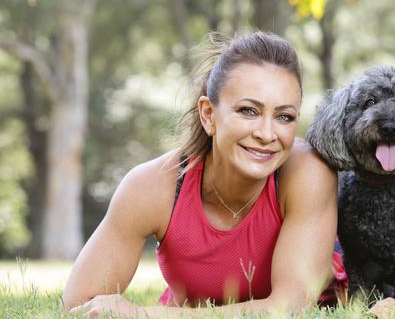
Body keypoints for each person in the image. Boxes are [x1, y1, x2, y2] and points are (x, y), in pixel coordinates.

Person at [62, 32, 344, 317]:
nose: (267, 134)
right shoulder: (153, 186)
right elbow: (79, 302)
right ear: (208, 114)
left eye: (284, 116)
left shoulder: (307, 172)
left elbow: (290, 307)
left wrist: (144, 315)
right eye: (248, 111)